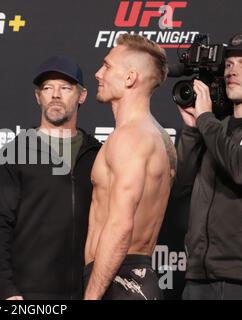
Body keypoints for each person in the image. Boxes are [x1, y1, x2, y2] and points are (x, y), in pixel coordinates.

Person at [0, 56, 102, 300]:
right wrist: (7, 291)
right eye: (48, 88)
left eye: (66, 88)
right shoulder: (14, 154)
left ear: (82, 95)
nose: (55, 95)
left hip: (87, 291)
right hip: (28, 293)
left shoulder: (98, 155)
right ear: (39, 97)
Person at [83, 34, 176, 300]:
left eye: (108, 66)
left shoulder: (130, 138)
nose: (99, 73)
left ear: (130, 78)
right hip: (139, 278)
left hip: (116, 281)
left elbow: (121, 226)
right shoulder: (161, 138)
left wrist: (91, 296)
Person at [176, 33, 242, 300]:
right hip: (197, 277)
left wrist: (205, 117)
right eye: (228, 64)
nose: (232, 71)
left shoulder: (212, 125)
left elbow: (239, 168)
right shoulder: (217, 127)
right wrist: (192, 130)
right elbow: (180, 186)